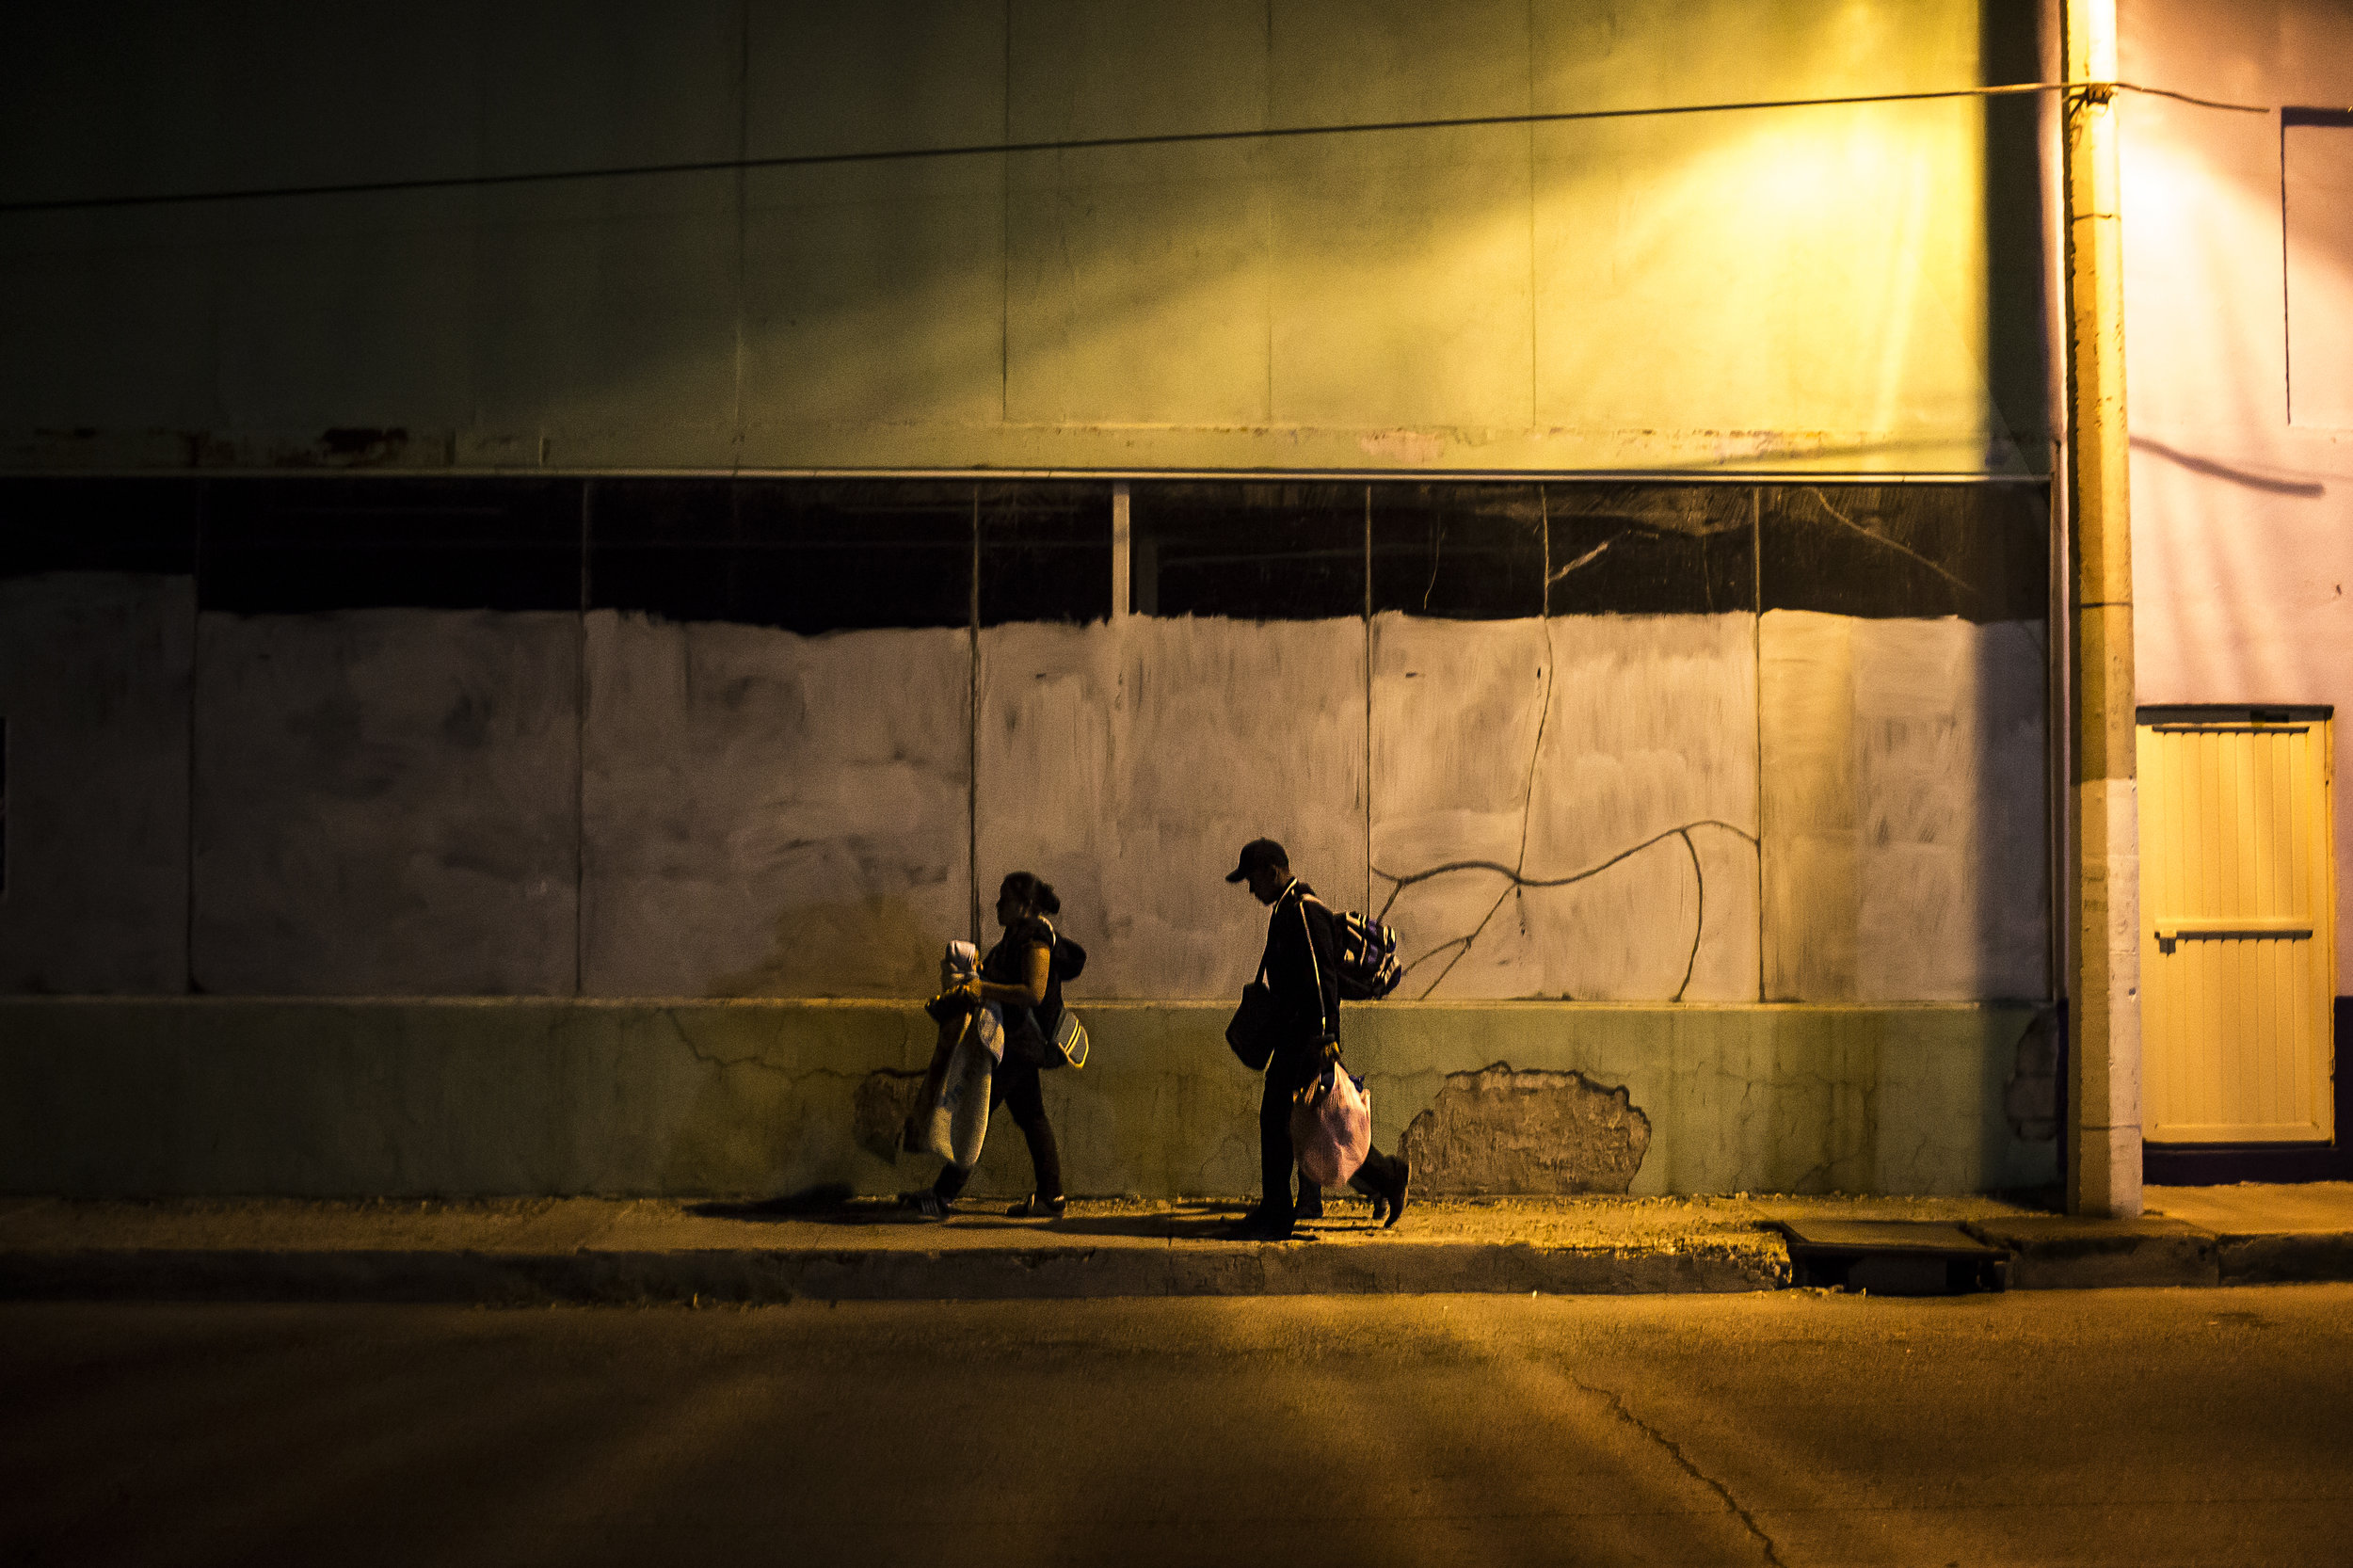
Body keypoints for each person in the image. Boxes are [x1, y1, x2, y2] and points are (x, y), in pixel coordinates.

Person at [1225, 838, 1410, 1240]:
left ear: (1273, 871)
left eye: (1253, 879)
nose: (1251, 889)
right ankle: (1380, 1179)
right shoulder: (1287, 910)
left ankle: (1284, 1210)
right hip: (1296, 1036)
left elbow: (1321, 978)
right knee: (1303, 1121)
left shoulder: (1304, 913)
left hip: (1308, 1039)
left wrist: (1326, 1038)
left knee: (1310, 1121)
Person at [902, 872, 1075, 1220]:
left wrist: (984, 989)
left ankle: (942, 1196)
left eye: (1003, 899)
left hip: (1017, 1045)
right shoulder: (1016, 935)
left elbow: (1033, 992)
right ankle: (1051, 1197)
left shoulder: (1036, 939)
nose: (997, 905)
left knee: (973, 1113)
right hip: (1013, 1044)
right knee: (1032, 1117)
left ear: (1024, 905)